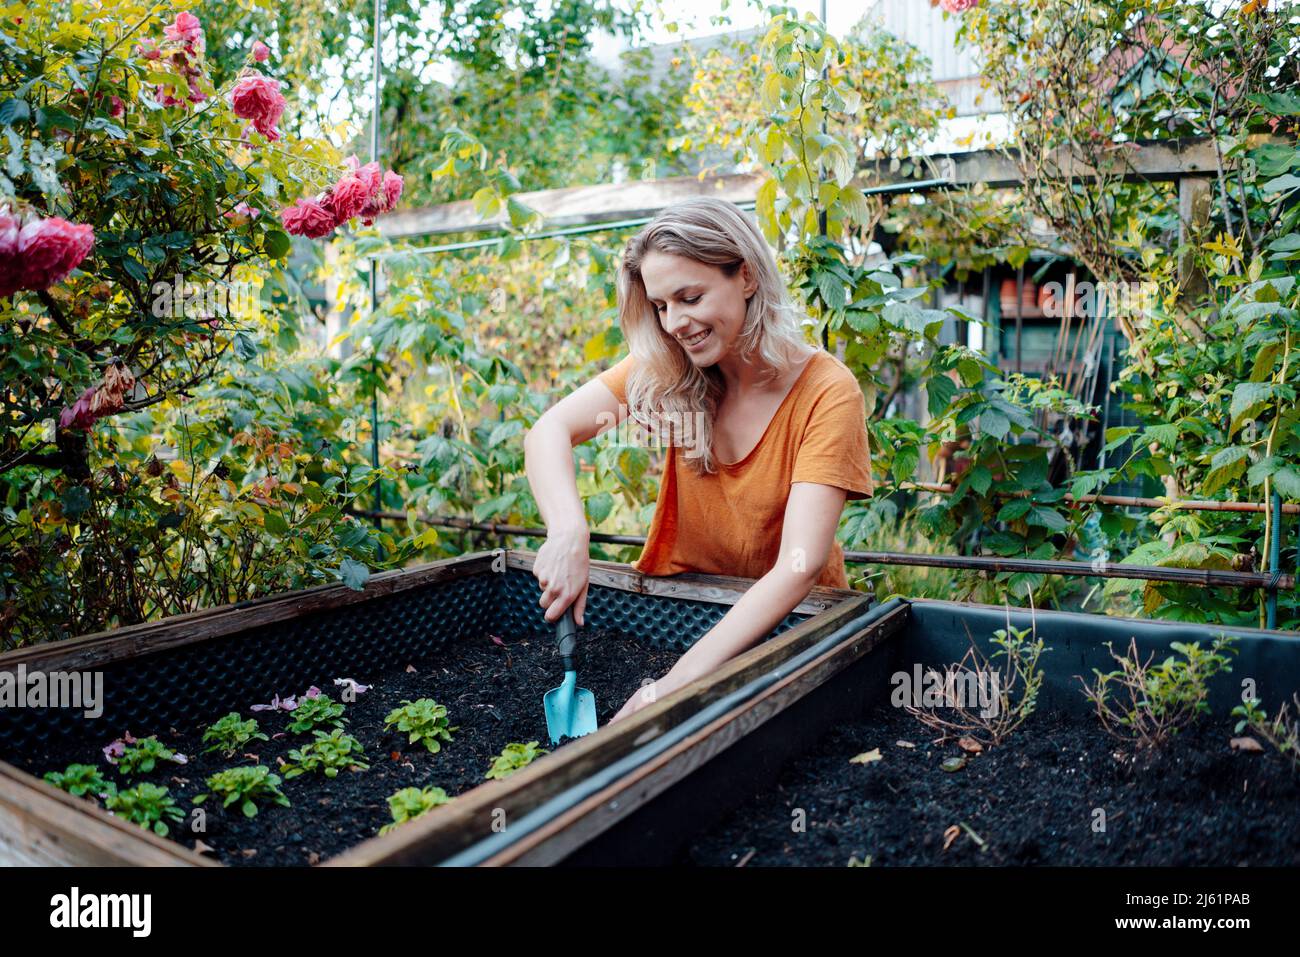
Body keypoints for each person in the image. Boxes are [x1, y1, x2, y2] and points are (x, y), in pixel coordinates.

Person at [522, 196, 873, 725]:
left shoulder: (826, 392)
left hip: (794, 633)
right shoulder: (667, 367)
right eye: (661, 306)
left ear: (748, 276)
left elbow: (797, 569)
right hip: (685, 616)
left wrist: (673, 688)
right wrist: (569, 532)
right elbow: (549, 431)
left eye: (690, 297)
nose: (675, 323)